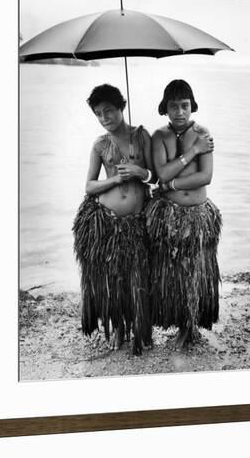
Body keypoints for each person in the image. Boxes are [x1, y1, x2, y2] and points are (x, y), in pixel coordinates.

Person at [72, 84, 155, 355]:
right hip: (108, 220)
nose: (104, 117)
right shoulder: (100, 145)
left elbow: (157, 175)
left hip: (136, 222)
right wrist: (117, 178)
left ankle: (139, 328)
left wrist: (140, 172)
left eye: (109, 111)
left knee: (136, 277)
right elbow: (89, 186)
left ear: (122, 107)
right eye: (98, 114)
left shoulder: (142, 137)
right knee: (113, 280)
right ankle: (117, 330)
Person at [145, 79, 222, 348]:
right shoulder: (159, 136)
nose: (180, 112)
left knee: (196, 272)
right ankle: (180, 325)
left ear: (193, 106)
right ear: (164, 108)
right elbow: (160, 174)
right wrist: (194, 151)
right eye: (174, 106)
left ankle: (191, 327)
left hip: (198, 215)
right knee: (173, 273)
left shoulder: (203, 132)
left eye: (185, 105)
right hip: (170, 215)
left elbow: (206, 176)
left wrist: (172, 184)